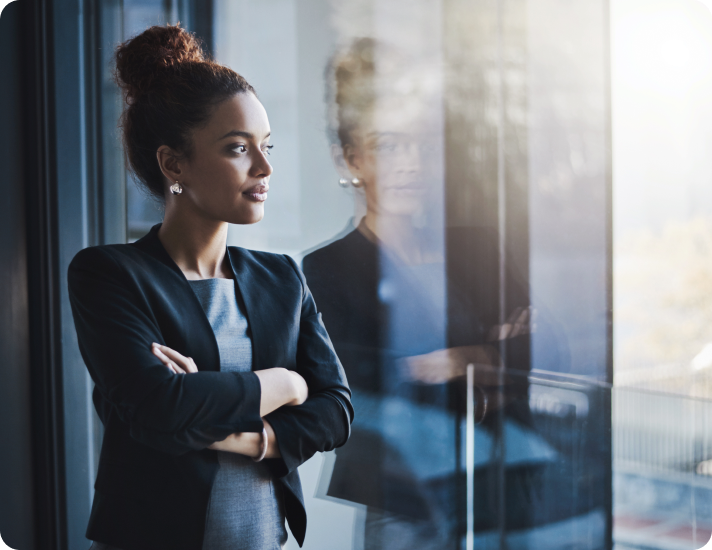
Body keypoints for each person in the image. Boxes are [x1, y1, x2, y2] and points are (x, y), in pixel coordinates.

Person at [67, 24, 353, 550]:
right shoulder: (109, 274)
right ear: (174, 164)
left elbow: (335, 409)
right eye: (238, 148)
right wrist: (286, 384)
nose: (265, 167)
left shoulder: (282, 277)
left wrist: (248, 437)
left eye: (266, 146)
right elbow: (158, 407)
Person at [302, 38, 568, 550]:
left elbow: (550, 347)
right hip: (406, 500)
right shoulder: (326, 269)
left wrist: (463, 359)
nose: (411, 164)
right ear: (350, 158)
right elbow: (364, 389)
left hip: (504, 484)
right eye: (387, 145)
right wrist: (496, 363)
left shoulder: (476, 246)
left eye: (422, 144)